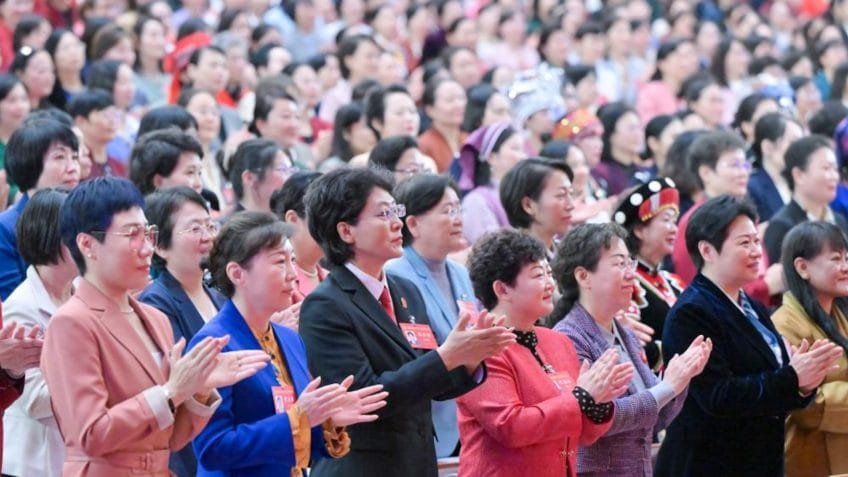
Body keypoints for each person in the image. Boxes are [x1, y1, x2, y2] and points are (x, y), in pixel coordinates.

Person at [41, 177, 269, 476]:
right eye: (131, 234)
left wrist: (199, 388)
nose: (147, 247)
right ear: (88, 244)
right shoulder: (72, 322)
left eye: (147, 233)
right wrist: (172, 391)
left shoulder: (155, 319)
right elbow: (91, 434)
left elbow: (171, 439)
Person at [299, 167, 516, 476]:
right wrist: (448, 355)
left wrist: (470, 357)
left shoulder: (405, 291)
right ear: (346, 231)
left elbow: (433, 383)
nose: (396, 222)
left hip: (418, 462)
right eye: (383, 213)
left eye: (396, 210)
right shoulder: (324, 305)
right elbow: (365, 397)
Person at [656, 195, 844, 476]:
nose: (757, 250)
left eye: (757, 240)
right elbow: (718, 396)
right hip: (711, 464)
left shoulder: (753, 306)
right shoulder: (693, 312)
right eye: (745, 243)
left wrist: (804, 385)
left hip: (758, 460)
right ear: (707, 250)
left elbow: (777, 389)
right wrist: (792, 377)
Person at [190, 211, 388, 476]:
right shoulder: (213, 342)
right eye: (279, 262)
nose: (292, 274)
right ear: (238, 273)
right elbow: (213, 450)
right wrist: (300, 418)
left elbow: (293, 428)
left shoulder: (290, 338)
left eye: (292, 260)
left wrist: (326, 420)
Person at [458, 229, 633, 476]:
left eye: (549, 273)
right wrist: (582, 397)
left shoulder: (557, 342)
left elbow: (580, 434)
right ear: (502, 289)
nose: (550, 283)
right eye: (538, 275)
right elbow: (511, 426)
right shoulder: (481, 346)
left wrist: (598, 402)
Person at [551, 222, 710, 476]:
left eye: (630, 263)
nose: (630, 274)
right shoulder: (568, 336)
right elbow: (601, 417)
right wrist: (667, 386)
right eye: (618, 264)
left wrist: (681, 377)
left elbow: (654, 418)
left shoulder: (626, 333)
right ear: (583, 276)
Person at [138, 187, 225, 477]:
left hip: (223, 436)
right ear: (160, 246)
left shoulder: (219, 293)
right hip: (188, 447)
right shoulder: (156, 302)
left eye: (210, 225)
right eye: (194, 228)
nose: (208, 236)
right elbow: (176, 381)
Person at [385, 174, 472, 458]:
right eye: (447, 211)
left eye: (458, 208)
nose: (458, 218)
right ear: (413, 223)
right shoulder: (396, 275)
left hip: (467, 422)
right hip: (426, 430)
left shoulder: (460, 272)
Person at [1, 188, 70, 477]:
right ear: (50, 237)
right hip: (34, 462)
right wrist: (93, 381)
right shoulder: (23, 304)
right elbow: (34, 400)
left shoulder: (81, 293)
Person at [772, 221, 848, 477]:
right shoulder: (785, 324)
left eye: (847, 258)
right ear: (802, 267)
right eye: (836, 259)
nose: (846, 267)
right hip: (809, 458)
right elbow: (806, 405)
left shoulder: (839, 313)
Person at [0, 118, 80, 300]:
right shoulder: (5, 229)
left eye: (74, 157)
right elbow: (10, 299)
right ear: (29, 163)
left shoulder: (85, 217)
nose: (73, 167)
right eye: (60, 157)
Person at [613, 178, 687, 370]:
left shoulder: (673, 281)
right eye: (666, 220)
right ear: (639, 229)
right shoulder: (625, 282)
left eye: (675, 220)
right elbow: (638, 348)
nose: (674, 228)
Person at [764, 135, 847, 264]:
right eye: (826, 168)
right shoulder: (782, 226)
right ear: (798, 175)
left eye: (835, 169)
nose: (834, 176)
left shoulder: (839, 220)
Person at [456, 122, 527, 243]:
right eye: (515, 149)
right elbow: (488, 250)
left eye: (523, 149)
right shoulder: (477, 200)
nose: (523, 156)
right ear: (491, 157)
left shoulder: (525, 193)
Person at [500, 158, 575, 258]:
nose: (571, 205)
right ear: (528, 205)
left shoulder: (567, 254)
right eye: (561, 195)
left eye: (571, 193)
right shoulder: (513, 261)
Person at [747, 113, 804, 222]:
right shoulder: (752, 188)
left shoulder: (802, 182)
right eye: (793, 143)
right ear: (768, 147)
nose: (800, 149)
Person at [226, 138, 295, 215]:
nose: (291, 177)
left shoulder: (290, 220)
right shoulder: (228, 226)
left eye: (291, 170)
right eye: (283, 169)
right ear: (249, 178)